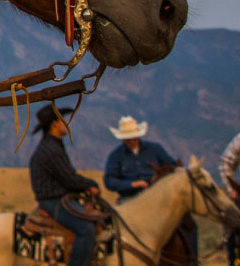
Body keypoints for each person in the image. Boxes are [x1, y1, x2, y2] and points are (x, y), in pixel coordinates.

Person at [104, 115, 196, 257]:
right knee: (112, 225)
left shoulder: (155, 149)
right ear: (122, 139)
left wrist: (159, 179)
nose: (132, 141)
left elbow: (172, 167)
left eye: (134, 137)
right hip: (129, 198)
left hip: (157, 198)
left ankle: (192, 258)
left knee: (187, 223)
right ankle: (115, 257)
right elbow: (109, 181)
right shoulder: (116, 156)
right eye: (128, 139)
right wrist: (132, 184)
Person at [29, 104, 102, 266]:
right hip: (54, 201)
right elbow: (70, 179)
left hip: (55, 198)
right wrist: (90, 184)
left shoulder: (51, 146)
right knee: (86, 229)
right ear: (54, 124)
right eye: (63, 120)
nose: (66, 123)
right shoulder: (51, 150)